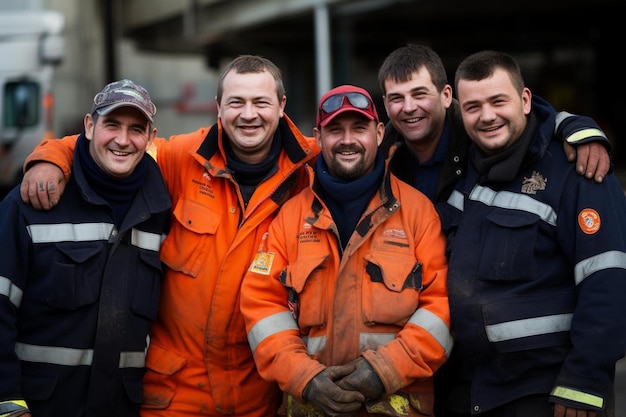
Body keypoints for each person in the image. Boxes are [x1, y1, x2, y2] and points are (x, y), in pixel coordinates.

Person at [17, 55, 319, 417]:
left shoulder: (310, 169)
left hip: (257, 394)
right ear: (219, 107)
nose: (248, 114)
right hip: (174, 394)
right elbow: (115, 147)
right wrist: (51, 155)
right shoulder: (180, 157)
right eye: (236, 102)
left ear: (282, 106)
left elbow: (356, 154)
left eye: (261, 102)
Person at [240, 85, 453, 417]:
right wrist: (304, 377)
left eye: (359, 128)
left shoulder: (418, 213)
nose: (347, 140)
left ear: (380, 133)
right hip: (309, 406)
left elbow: (442, 308)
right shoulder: (290, 217)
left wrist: (384, 371)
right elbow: (261, 307)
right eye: (335, 130)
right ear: (318, 137)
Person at [435, 50, 626, 417]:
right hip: (479, 386)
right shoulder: (464, 169)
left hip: (549, 390)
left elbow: (609, 282)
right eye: (473, 106)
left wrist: (583, 382)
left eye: (498, 101)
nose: (487, 116)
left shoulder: (578, 172)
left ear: (525, 100)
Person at [0, 79, 171, 416]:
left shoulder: (162, 212)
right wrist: (7, 405)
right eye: (112, 125)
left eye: (136, 129)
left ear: (151, 139)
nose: (123, 140)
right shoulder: (32, 204)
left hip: (123, 407)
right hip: (41, 407)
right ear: (90, 127)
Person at [378, 43, 611, 204]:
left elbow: (526, 124)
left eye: (420, 94)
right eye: (397, 98)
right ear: (386, 104)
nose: (408, 107)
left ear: (446, 95)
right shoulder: (379, 155)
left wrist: (578, 130)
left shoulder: (476, 133)